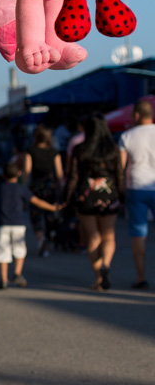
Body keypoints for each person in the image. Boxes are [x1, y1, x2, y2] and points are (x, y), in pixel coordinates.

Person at [66, 113, 124, 291]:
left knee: (93, 237)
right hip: (108, 194)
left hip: (86, 195)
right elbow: (119, 174)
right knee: (108, 236)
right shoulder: (113, 149)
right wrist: (121, 195)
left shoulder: (80, 148)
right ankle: (105, 264)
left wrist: (66, 198)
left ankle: (98, 278)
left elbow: (73, 177)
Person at [0, 162, 60, 289]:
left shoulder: (1, 188)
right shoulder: (22, 189)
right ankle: (17, 273)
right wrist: (52, 208)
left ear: (3, 175)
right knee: (19, 250)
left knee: (2, 251)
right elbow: (36, 201)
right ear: (19, 174)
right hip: (18, 224)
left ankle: (3, 279)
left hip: (2, 224)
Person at [119, 100, 155, 290]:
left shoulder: (127, 136)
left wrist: (120, 189)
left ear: (137, 115)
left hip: (137, 187)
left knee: (139, 235)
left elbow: (121, 167)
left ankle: (141, 278)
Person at [24, 126, 64, 256]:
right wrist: (63, 188)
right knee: (50, 213)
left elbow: (27, 171)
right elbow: (59, 173)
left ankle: (40, 238)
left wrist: (24, 187)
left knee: (35, 215)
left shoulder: (31, 151)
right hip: (50, 186)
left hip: (36, 186)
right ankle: (48, 235)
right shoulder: (54, 152)